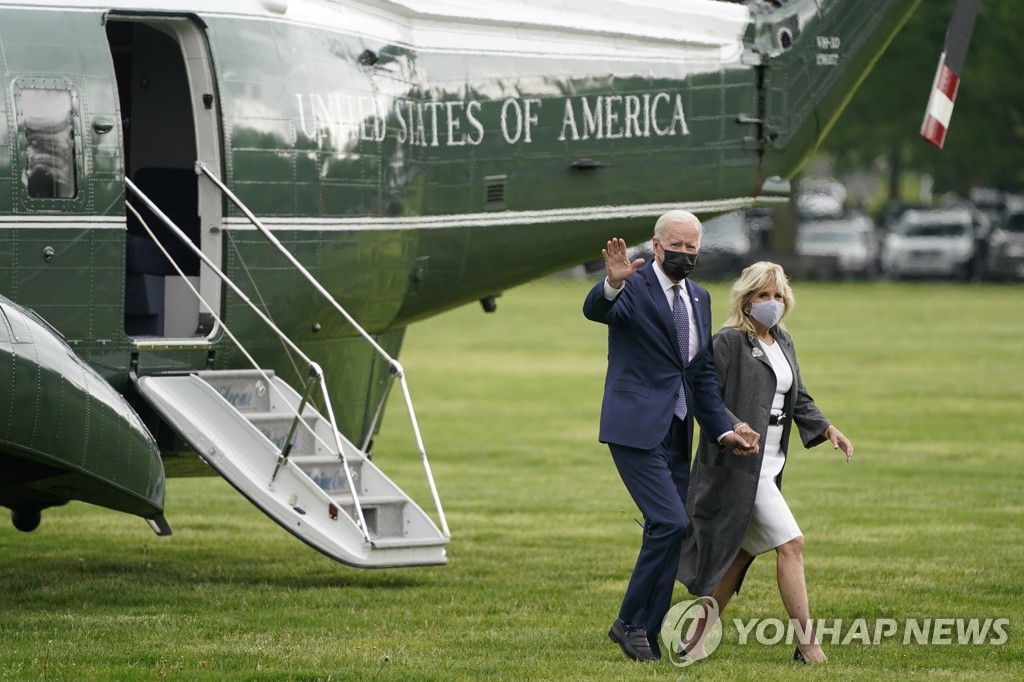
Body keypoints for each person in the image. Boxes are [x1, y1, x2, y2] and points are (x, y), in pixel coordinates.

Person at [583, 210, 759, 662]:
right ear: (656, 247)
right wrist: (613, 283)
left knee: (666, 532)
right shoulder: (633, 286)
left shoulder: (699, 298)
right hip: (634, 428)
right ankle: (627, 622)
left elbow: (699, 375)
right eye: (676, 246)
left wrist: (725, 428)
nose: (684, 254)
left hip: (678, 431)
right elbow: (597, 310)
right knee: (670, 522)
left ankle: (646, 628)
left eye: (691, 247)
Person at [677, 261, 854, 664]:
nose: (771, 303)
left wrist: (828, 429)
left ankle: (693, 640)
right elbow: (705, 398)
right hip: (739, 465)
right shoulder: (727, 342)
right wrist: (735, 424)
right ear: (746, 299)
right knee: (792, 544)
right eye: (763, 296)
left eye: (777, 295)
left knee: (740, 554)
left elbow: (799, 397)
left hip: (771, 464)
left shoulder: (783, 341)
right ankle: (808, 647)